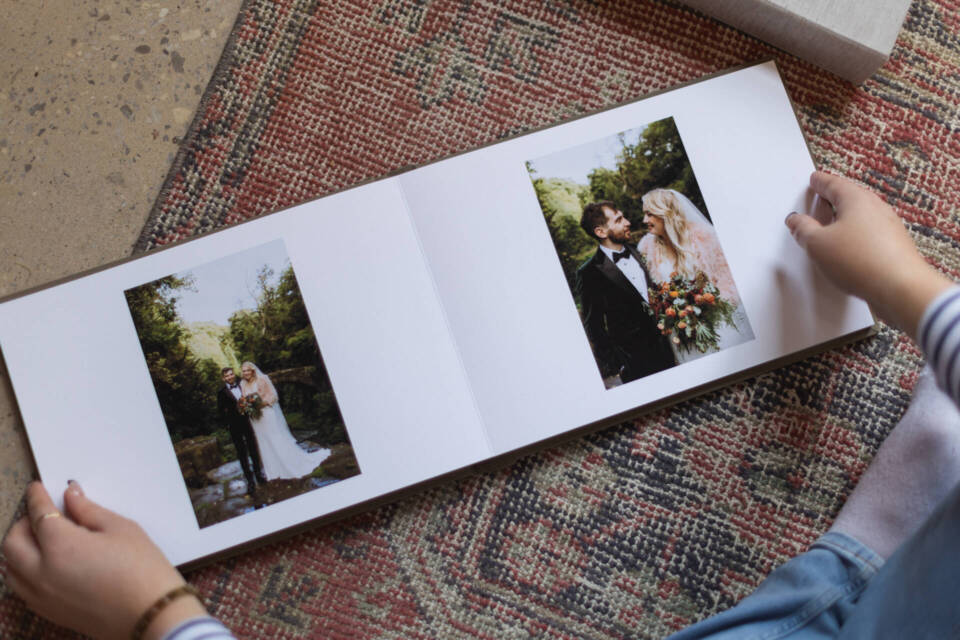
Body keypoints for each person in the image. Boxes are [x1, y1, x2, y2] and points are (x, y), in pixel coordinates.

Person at [3, 171, 960, 638]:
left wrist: (159, 616)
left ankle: (866, 555)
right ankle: (873, 544)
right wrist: (914, 293)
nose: (620, 227)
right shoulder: (596, 265)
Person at [637, 188, 753, 362]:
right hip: (683, 330)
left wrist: (709, 306)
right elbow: (655, 291)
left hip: (718, 321)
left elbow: (728, 278)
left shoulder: (704, 236)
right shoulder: (647, 247)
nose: (645, 220)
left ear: (665, 212)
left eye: (649, 214)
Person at [576, 200, 677, 385]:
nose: (628, 222)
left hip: (672, 347)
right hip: (636, 365)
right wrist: (619, 365)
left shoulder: (642, 251)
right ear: (601, 232)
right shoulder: (589, 273)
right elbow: (594, 326)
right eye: (619, 220)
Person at [239, 361, 330, 481]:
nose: (245, 373)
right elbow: (245, 400)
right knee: (264, 441)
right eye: (243, 371)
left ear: (252, 370)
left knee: (276, 438)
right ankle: (273, 470)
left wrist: (261, 404)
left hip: (266, 413)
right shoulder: (242, 384)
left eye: (247, 370)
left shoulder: (262, 379)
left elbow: (273, 396)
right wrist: (246, 406)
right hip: (255, 418)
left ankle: (290, 466)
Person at [216, 367, 267, 493]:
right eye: (227, 376)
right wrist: (228, 424)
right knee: (242, 453)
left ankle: (259, 475)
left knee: (253, 449)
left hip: (249, 422)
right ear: (224, 378)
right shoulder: (221, 392)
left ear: (234, 374)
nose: (230, 377)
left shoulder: (242, 384)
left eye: (231, 374)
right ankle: (250, 481)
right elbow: (221, 411)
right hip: (234, 426)